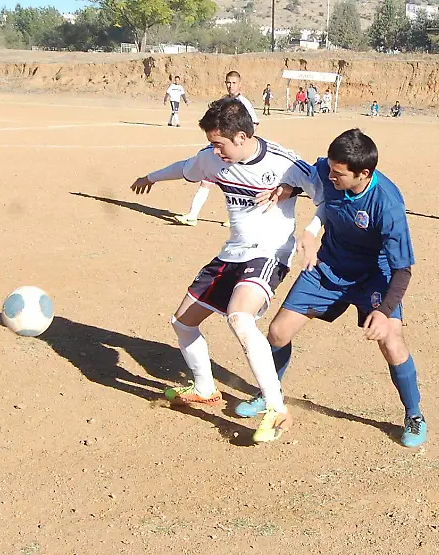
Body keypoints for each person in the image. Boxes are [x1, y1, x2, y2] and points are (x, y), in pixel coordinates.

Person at [129, 98, 319, 443]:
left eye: (219, 144)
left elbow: (326, 195)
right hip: (231, 253)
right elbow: (187, 166)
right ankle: (204, 388)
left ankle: (276, 409)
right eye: (211, 144)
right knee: (182, 322)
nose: (214, 151)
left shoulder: (284, 162)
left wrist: (301, 208)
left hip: (269, 253)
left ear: (243, 137)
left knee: (240, 317)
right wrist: (151, 177)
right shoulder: (212, 157)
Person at [239, 129, 426, 447]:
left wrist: (383, 312)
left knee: (391, 341)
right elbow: (304, 177)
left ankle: (414, 414)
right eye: (329, 169)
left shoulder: (388, 204)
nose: (330, 176)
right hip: (328, 266)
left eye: (338, 174)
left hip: (374, 275)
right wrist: (287, 189)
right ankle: (270, 393)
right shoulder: (327, 170)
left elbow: (402, 270)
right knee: (278, 332)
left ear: (363, 173)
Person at [175, 71, 259, 226]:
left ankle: (237, 218)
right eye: (228, 82)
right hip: (221, 151)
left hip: (234, 151)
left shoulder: (244, 103)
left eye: (234, 83)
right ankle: (193, 215)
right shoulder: (225, 101)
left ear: (240, 84)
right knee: (207, 180)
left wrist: (238, 145)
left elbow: (253, 124)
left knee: (236, 184)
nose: (230, 85)